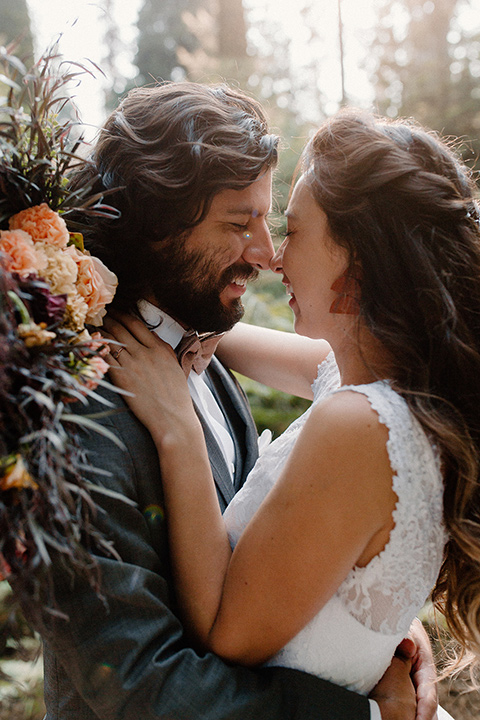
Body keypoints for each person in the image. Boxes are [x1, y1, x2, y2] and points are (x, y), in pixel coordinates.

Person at [35, 88, 436, 720]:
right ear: (157, 230)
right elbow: (144, 685)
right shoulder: (74, 419)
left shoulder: (207, 357)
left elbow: (289, 560)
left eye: (271, 222)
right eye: (236, 224)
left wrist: (385, 633)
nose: (264, 254)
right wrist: (364, 709)